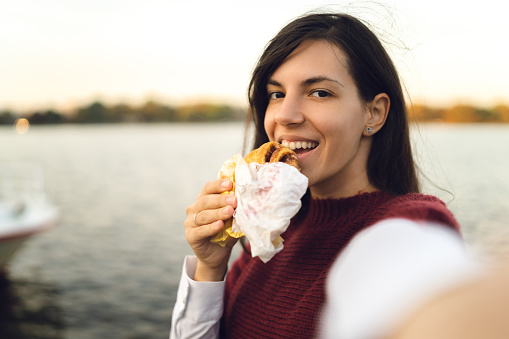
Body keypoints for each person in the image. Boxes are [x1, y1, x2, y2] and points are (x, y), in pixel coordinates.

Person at [170, 11, 460, 338]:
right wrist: (211, 266)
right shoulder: (266, 235)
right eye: (276, 94)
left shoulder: (409, 225)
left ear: (374, 113)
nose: (286, 115)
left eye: (319, 92)